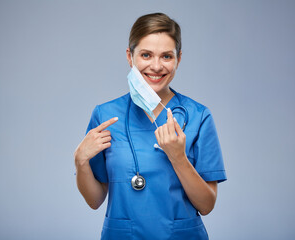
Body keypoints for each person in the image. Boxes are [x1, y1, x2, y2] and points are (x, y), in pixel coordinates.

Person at [74, 12, 227, 240]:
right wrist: (80, 161)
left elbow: (206, 205)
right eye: (146, 55)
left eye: (166, 56)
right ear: (130, 56)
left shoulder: (198, 116)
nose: (156, 66)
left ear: (179, 58)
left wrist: (178, 157)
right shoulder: (105, 115)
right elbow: (95, 200)